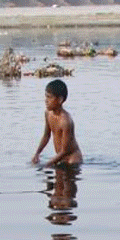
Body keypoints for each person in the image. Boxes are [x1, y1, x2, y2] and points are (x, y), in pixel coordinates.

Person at [31, 78, 83, 207]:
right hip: (60, 157)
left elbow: (65, 151)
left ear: (60, 100)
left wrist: (49, 163)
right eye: (45, 97)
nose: (46, 100)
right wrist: (37, 153)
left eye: (49, 97)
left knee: (66, 188)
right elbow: (46, 135)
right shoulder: (48, 114)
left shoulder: (66, 121)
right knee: (57, 185)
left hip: (71, 158)